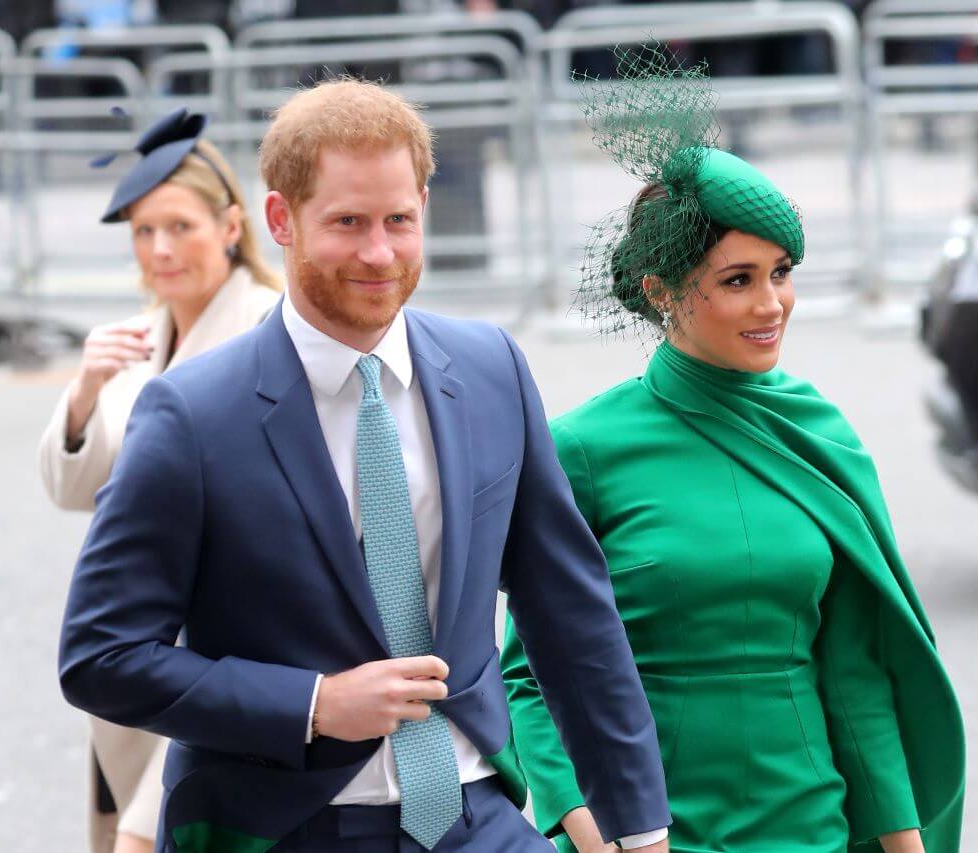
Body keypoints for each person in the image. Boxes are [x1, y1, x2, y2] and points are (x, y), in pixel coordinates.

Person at [58, 78, 671, 853]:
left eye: (399, 221)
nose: (379, 252)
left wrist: (640, 826)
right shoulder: (190, 414)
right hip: (280, 826)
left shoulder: (492, 369)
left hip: (472, 814)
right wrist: (311, 702)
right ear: (281, 218)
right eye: (347, 222)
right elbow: (100, 655)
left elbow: (570, 612)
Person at [501, 50, 965, 853]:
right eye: (738, 279)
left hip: (809, 826)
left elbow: (856, 675)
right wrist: (593, 830)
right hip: (652, 832)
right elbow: (529, 676)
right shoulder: (581, 447)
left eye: (781, 272)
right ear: (661, 291)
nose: (772, 303)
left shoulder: (820, 433)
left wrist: (905, 845)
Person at [39, 108, 283, 853]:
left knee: (153, 833)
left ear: (232, 225)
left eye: (180, 227)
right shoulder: (141, 337)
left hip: (215, 652)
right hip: (136, 646)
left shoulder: (265, 330)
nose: (160, 249)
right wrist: (85, 391)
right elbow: (75, 489)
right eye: (144, 231)